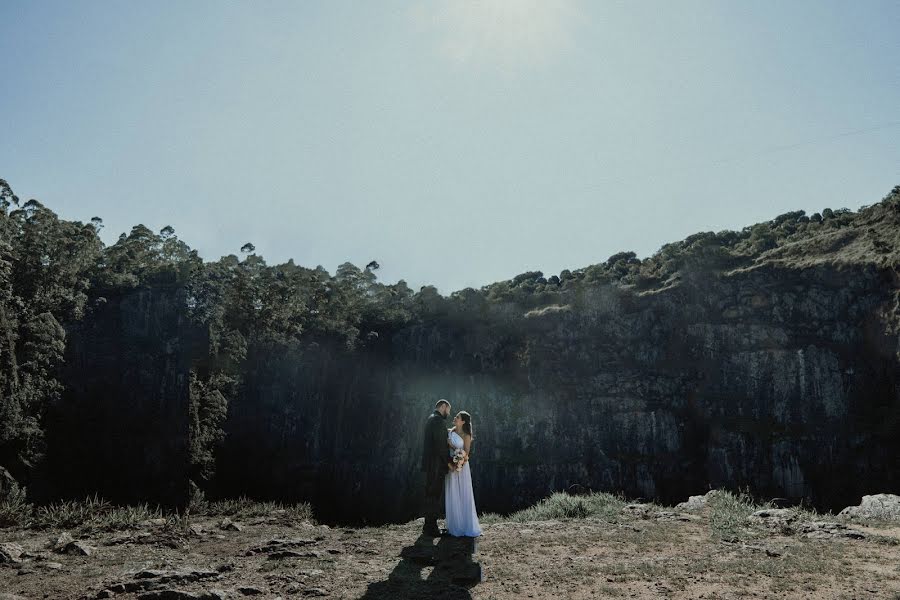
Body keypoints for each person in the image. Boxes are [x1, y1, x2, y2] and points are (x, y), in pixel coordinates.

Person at [444, 411, 482, 537]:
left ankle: (465, 524)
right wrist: (452, 464)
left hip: (462, 466)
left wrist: (453, 449)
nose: (454, 418)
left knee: (463, 492)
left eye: (457, 417)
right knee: (452, 492)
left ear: (463, 421)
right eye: (455, 416)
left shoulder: (466, 435)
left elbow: (466, 453)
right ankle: (454, 525)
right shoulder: (450, 431)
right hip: (451, 465)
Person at [421, 399, 451, 536]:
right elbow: (441, 447)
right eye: (448, 410)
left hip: (430, 464)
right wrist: (449, 462)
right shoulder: (438, 421)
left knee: (430, 495)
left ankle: (428, 526)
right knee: (434, 495)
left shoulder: (431, 419)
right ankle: (431, 528)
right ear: (443, 406)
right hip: (436, 465)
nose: (448, 413)